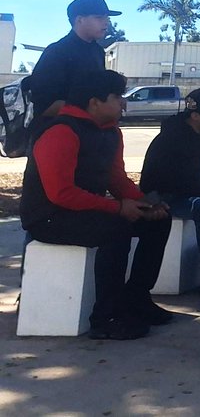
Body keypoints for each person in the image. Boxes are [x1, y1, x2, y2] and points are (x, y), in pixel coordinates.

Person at [20, 69, 172, 340]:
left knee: (158, 222)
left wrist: (144, 203)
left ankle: (136, 297)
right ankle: (106, 317)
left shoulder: (110, 131)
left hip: (85, 210)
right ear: (94, 102)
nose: (123, 103)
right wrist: (117, 208)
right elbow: (61, 193)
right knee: (116, 229)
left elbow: (115, 178)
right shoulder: (61, 131)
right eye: (117, 96)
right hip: (49, 217)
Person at [139, 86, 200, 299]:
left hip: (193, 189)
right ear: (195, 115)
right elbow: (149, 181)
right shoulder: (170, 139)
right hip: (166, 196)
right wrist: (153, 203)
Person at [27, 0, 121, 140]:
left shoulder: (97, 51)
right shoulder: (57, 51)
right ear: (79, 20)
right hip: (57, 139)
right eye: (99, 17)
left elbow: (97, 92)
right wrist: (90, 108)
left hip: (90, 137)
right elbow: (43, 106)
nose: (106, 22)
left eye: (107, 18)